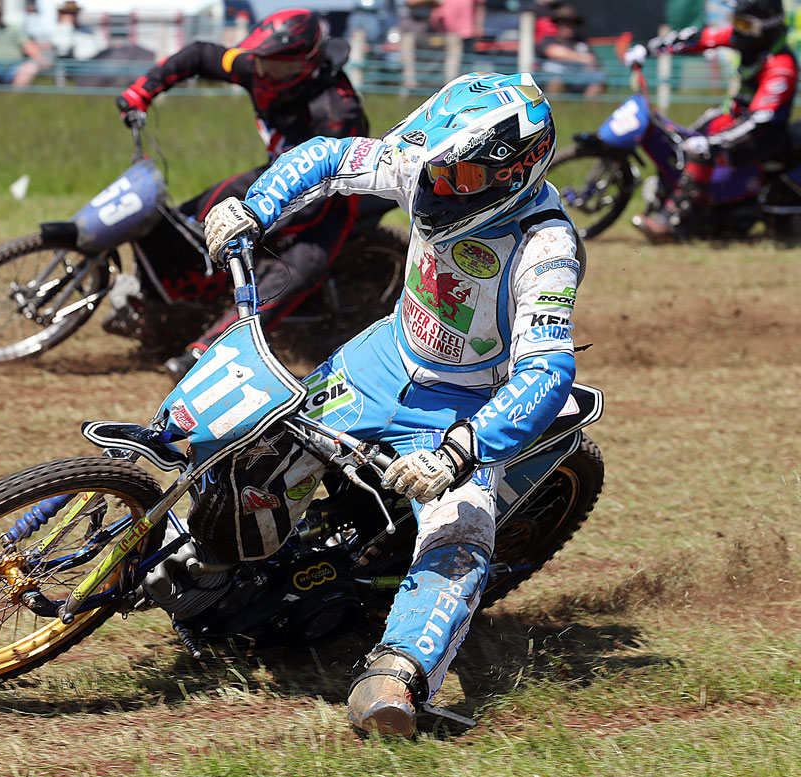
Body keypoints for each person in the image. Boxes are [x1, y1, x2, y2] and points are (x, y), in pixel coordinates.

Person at [202, 72, 582, 737]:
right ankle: (238, 565)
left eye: (460, 175)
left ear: (514, 171)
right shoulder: (432, 168)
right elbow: (326, 156)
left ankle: (398, 675)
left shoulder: (548, 247)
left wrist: (461, 451)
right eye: (438, 168)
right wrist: (253, 207)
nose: (437, 185)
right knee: (257, 454)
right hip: (380, 359)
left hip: (466, 408)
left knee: (461, 538)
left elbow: (549, 370)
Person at [112, 8, 369, 381]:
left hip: (328, 198)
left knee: (300, 267)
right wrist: (144, 90)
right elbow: (199, 53)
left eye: (275, 67)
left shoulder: (336, 111)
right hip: (275, 173)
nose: (262, 73)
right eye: (260, 62)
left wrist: (262, 223)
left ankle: (208, 350)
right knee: (209, 204)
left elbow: (323, 192)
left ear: (305, 64)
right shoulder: (257, 66)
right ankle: (158, 291)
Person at [623, 0, 797, 242]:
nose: (737, 29)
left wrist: (713, 143)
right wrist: (648, 49)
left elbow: (761, 120)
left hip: (762, 136)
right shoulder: (745, 38)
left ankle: (673, 222)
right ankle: (678, 194)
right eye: (736, 21)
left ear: (766, 26)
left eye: (744, 24)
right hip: (736, 118)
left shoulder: (781, 65)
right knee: (687, 138)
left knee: (702, 152)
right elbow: (697, 39)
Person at [0, 0, 48, 88]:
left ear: (1, 13)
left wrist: (41, 59)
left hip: (13, 68)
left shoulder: (13, 30)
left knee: (31, 67)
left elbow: (29, 47)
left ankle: (13, 99)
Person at [537, 4, 605, 99]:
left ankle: (590, 111)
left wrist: (590, 64)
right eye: (564, 23)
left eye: (571, 23)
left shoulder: (581, 42)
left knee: (597, 82)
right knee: (556, 83)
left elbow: (593, 60)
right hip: (553, 78)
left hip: (578, 79)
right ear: (558, 25)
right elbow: (554, 52)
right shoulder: (548, 40)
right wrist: (581, 58)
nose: (568, 27)